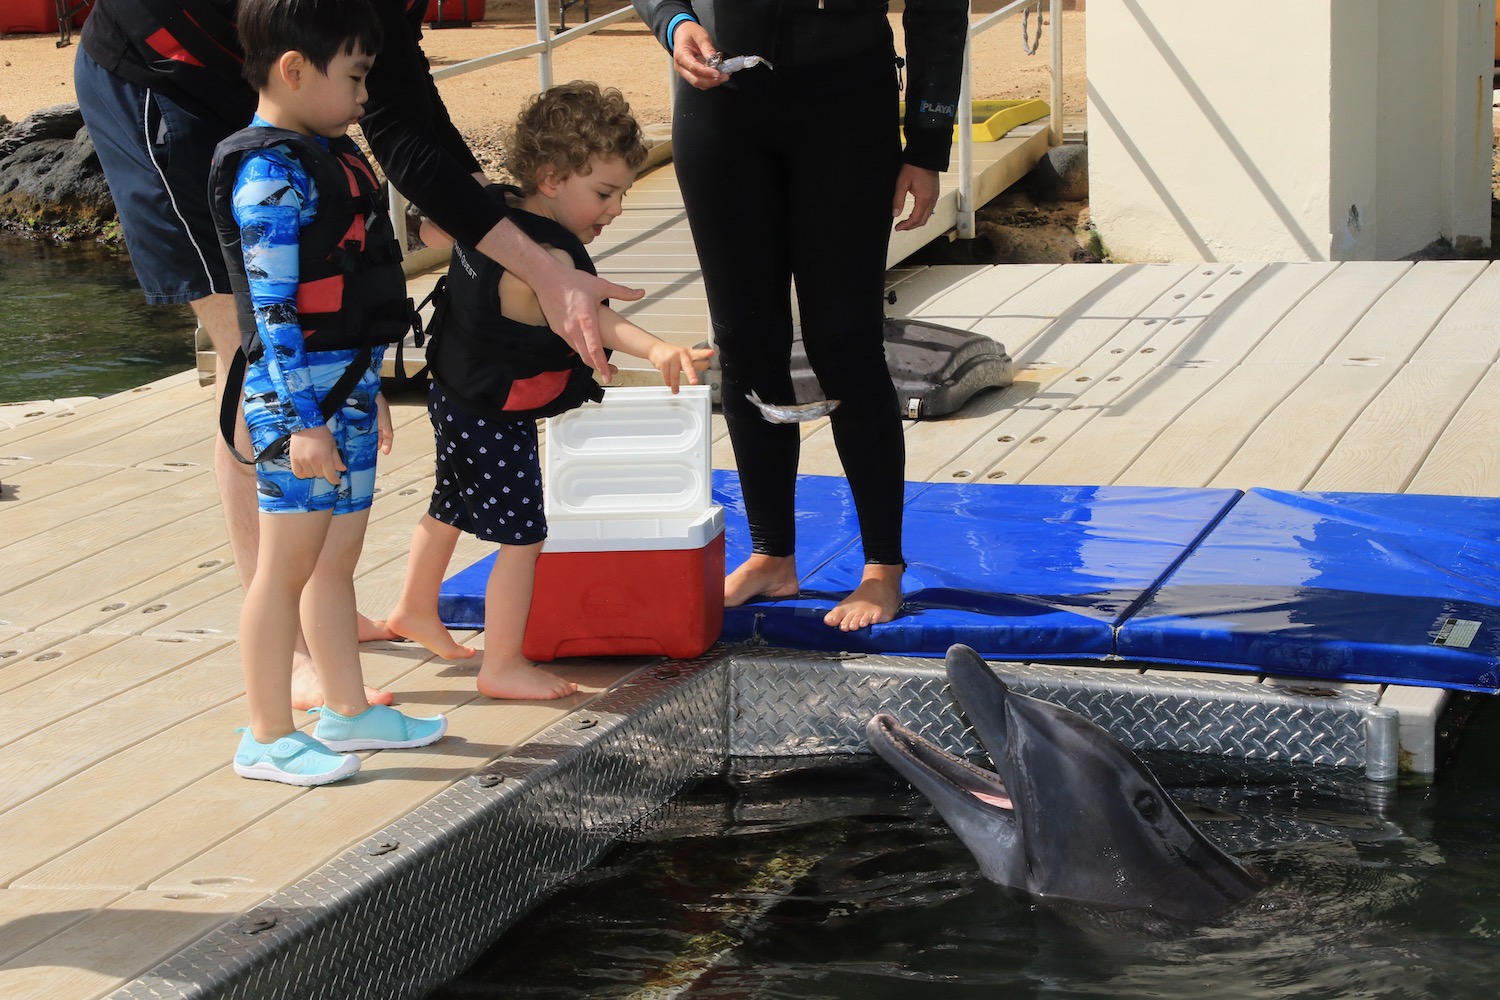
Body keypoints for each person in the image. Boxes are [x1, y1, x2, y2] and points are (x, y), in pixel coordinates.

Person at [74, 0, 641, 709]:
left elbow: (405, 105)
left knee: (325, 322)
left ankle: (322, 614)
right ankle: (289, 653)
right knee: (247, 353)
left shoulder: (346, 75)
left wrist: (484, 210)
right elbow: (274, 318)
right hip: (167, 80)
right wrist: (544, 268)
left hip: (291, 81)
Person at [632, 0, 966, 631]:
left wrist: (926, 142)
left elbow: (939, 10)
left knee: (844, 343)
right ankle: (771, 555)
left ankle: (881, 567)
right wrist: (672, 23)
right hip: (721, 108)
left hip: (843, 108)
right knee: (746, 341)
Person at [383, 81, 713, 700]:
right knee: (524, 536)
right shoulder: (548, 253)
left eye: (621, 194)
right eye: (604, 194)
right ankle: (501, 663)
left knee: (449, 502)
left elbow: (432, 232)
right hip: (494, 411)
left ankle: (413, 610)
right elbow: (594, 318)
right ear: (553, 178)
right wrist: (660, 350)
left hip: (454, 390)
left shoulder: (493, 211)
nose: (613, 210)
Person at [213, 0, 449, 786]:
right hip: (296, 404)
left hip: (343, 386)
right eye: (353, 79)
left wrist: (368, 388)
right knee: (285, 566)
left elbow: (346, 289)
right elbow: (273, 314)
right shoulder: (269, 175)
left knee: (336, 558)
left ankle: (347, 710)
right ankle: (267, 732)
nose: (361, 98)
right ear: (294, 69)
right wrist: (304, 422)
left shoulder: (327, 156)